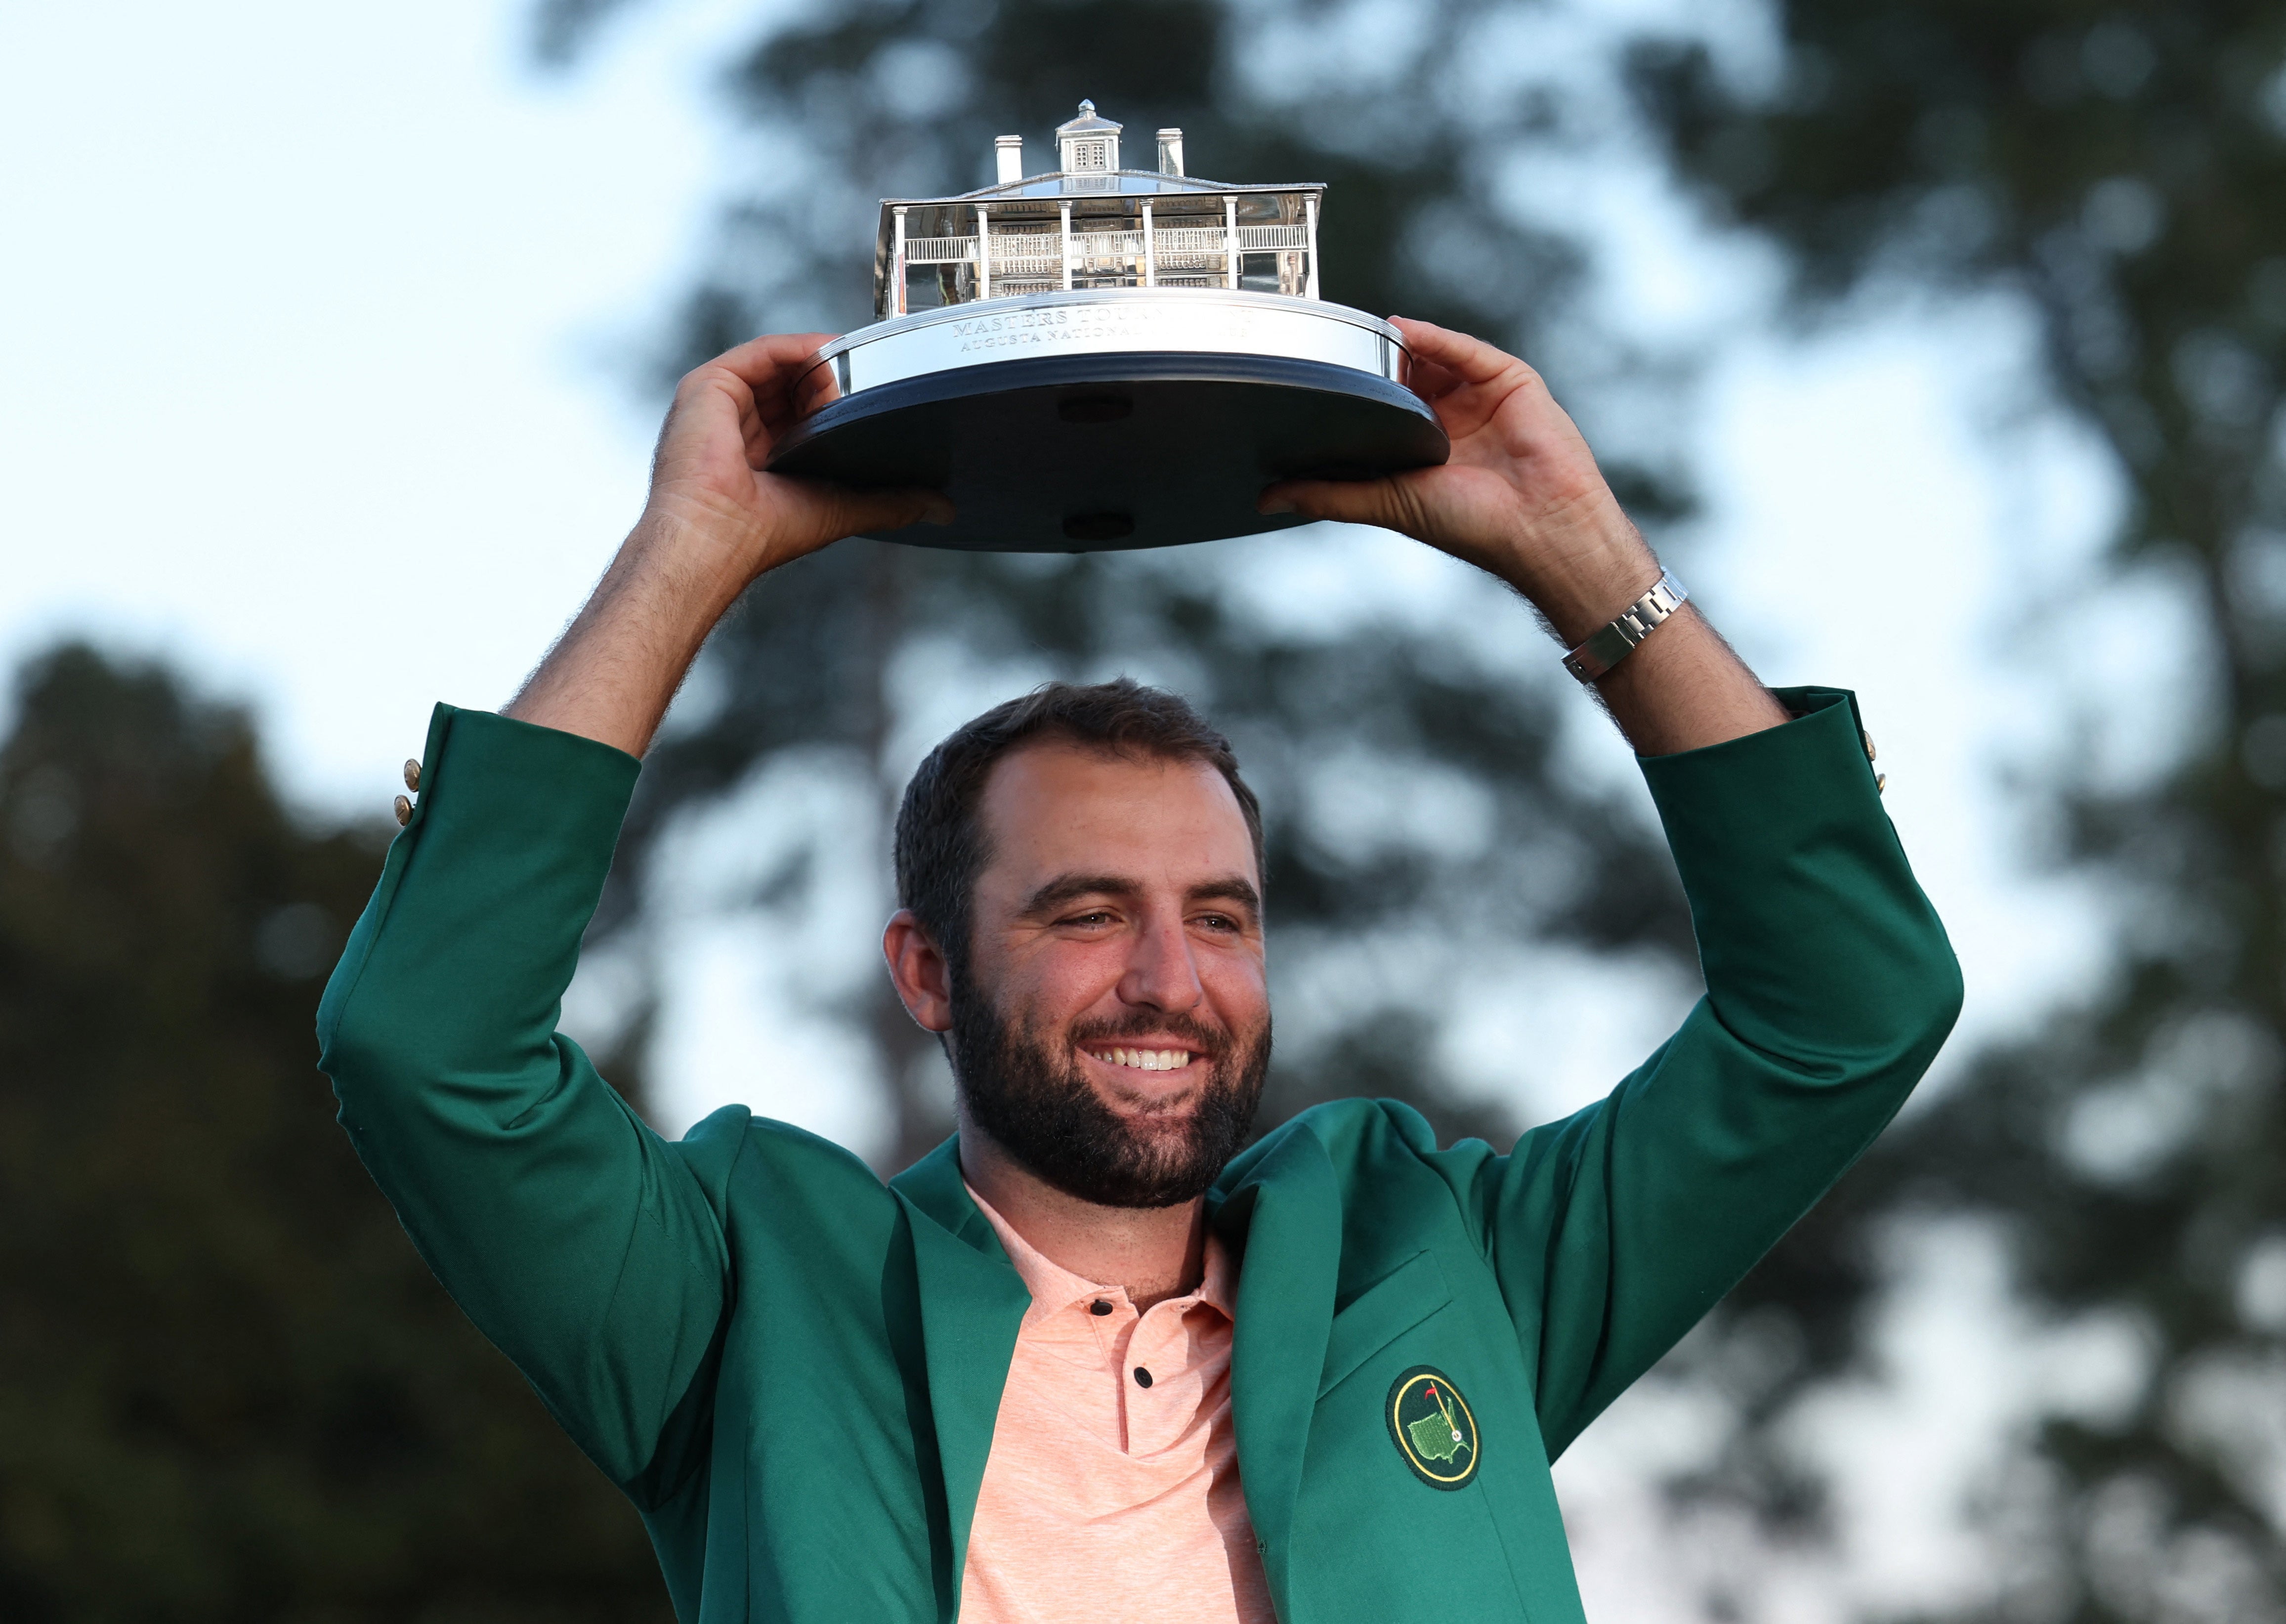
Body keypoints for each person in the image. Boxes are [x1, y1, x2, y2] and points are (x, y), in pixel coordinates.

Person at [318, 319, 1960, 1624]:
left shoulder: (1442, 1267)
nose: (1170, 978)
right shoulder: (748, 1306)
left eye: (1223, 916)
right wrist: (693, 553)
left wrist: (1575, 553)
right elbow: (426, 1042)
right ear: (927, 972)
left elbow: (1845, 1005)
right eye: (1085, 912)